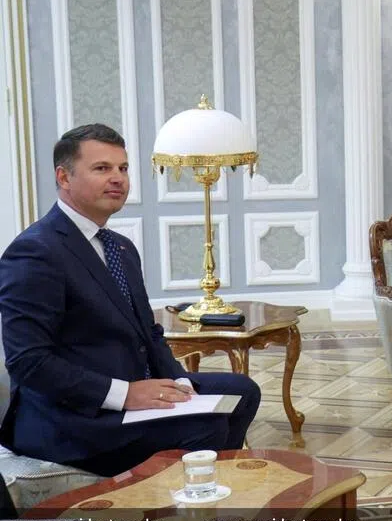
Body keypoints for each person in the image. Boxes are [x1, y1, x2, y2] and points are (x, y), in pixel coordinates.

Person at [0, 124, 261, 477]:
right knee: (205, 426)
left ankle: (203, 492)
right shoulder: (35, 252)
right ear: (64, 177)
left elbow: (149, 333)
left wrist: (180, 384)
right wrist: (125, 394)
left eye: (122, 168)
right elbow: (29, 362)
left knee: (243, 392)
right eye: (102, 168)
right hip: (71, 418)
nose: (118, 178)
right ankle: (179, 504)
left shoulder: (120, 248)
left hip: (133, 389)